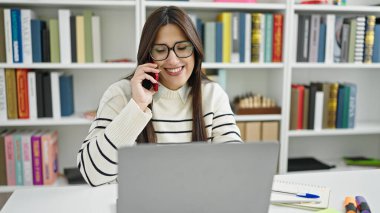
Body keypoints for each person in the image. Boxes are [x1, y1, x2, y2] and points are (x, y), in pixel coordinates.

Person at [77, 6, 242, 187]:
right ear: (149, 55)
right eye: (161, 50)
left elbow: (235, 168)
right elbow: (92, 175)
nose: (173, 60)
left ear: (195, 50)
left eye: (182, 47)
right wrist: (137, 106)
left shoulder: (212, 95)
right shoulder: (120, 94)